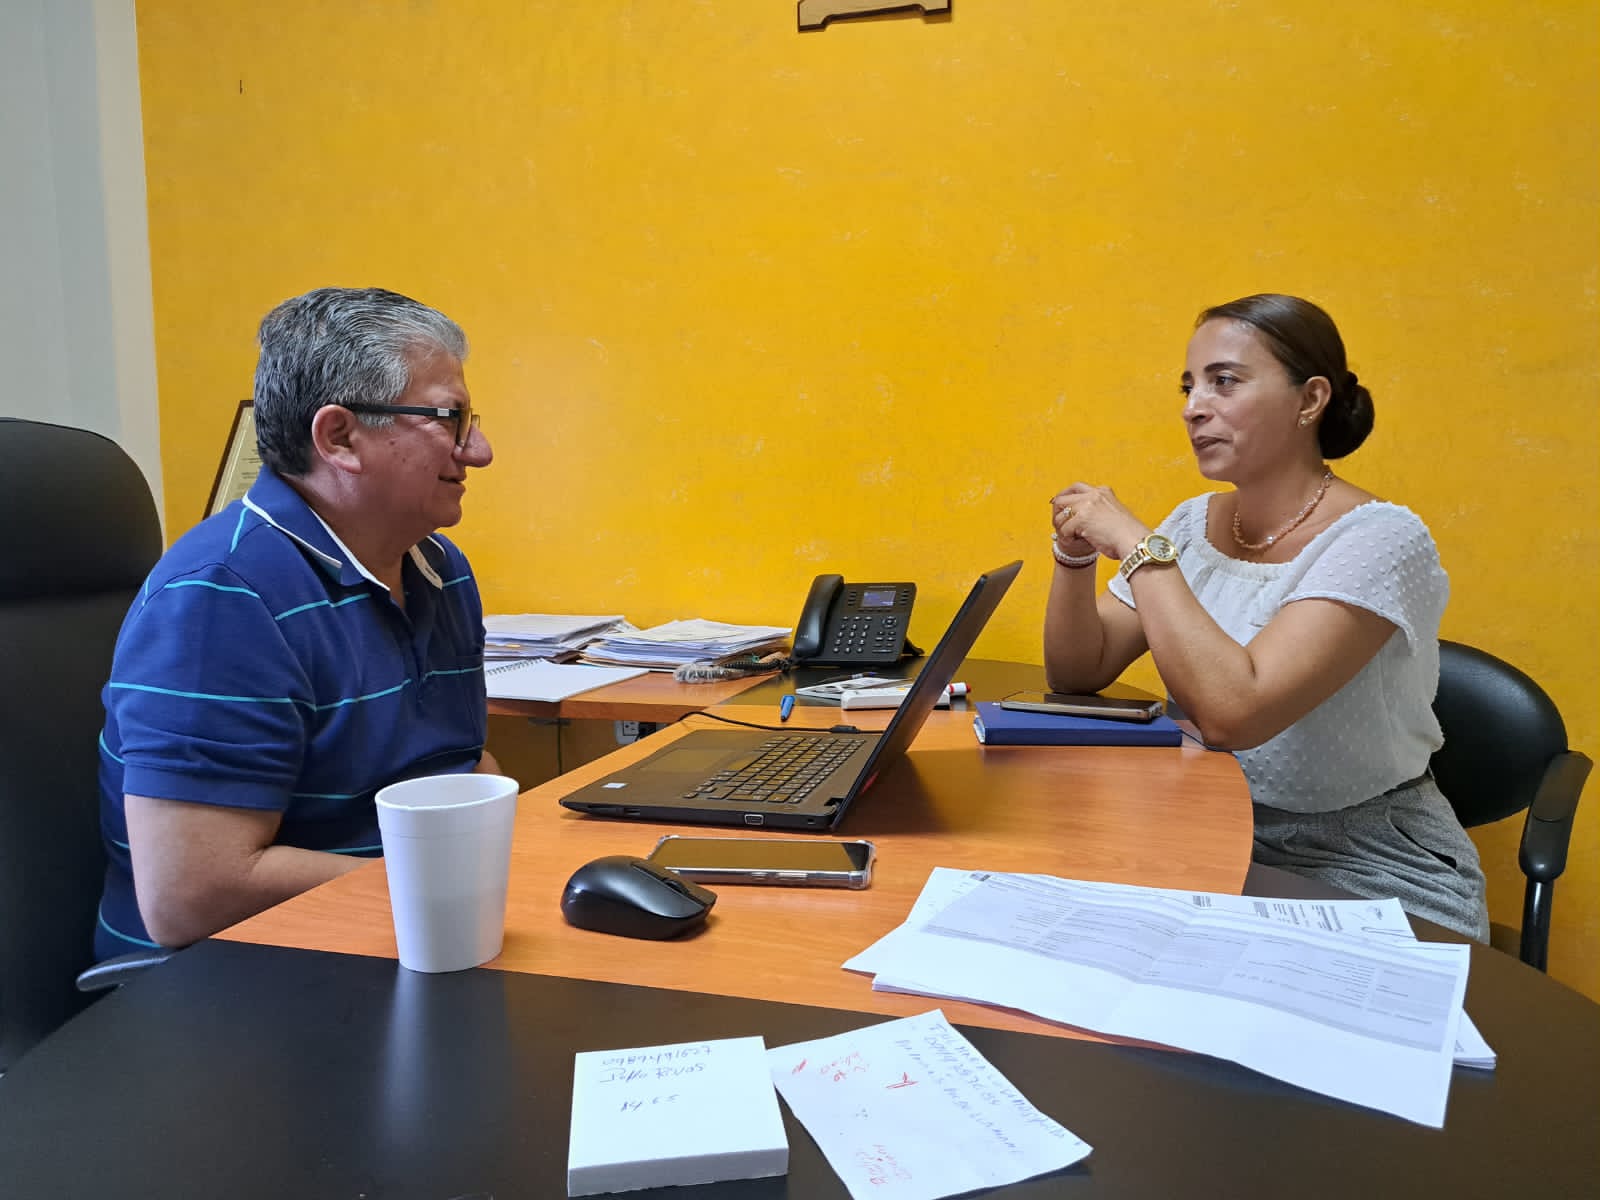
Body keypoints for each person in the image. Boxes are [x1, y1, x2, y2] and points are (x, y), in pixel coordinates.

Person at [1043, 293, 1489, 940]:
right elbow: (1078, 672)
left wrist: (1139, 547)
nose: (1193, 407)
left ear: (1310, 400)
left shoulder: (1382, 539)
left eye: (1224, 382)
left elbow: (1236, 714)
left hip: (1366, 862)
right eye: (1189, 387)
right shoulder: (1190, 525)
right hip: (1208, 829)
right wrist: (1074, 557)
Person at [95, 286, 499, 958]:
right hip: (232, 977)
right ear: (340, 438)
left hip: (408, 935)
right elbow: (190, 895)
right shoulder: (221, 596)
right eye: (449, 419)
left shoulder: (437, 566)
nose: (478, 450)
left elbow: (461, 768)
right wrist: (449, 887)